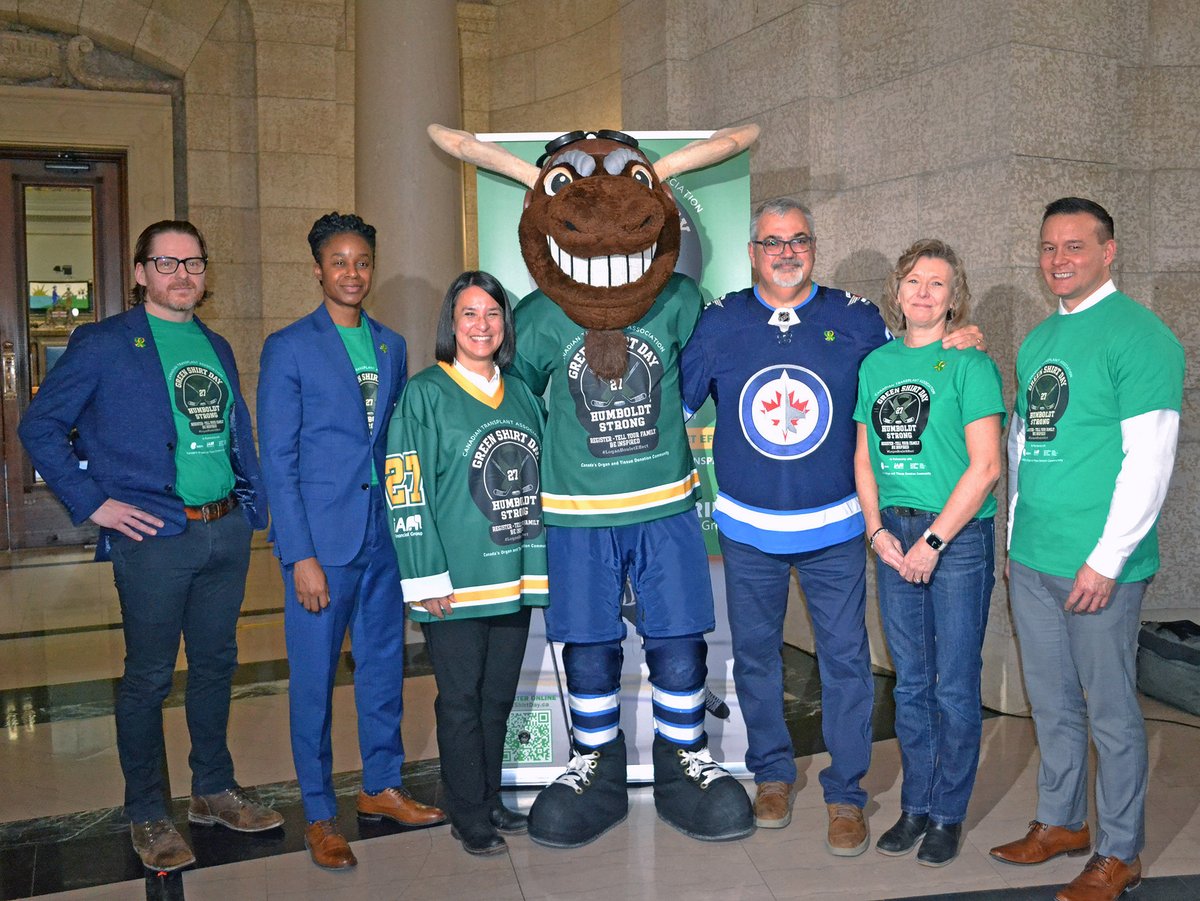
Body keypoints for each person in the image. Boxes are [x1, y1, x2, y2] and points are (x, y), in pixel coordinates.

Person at [680, 198, 983, 854]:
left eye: (798, 240)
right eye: (772, 242)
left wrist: (961, 336)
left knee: (847, 660)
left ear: (813, 248)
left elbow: (909, 363)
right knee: (755, 656)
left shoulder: (856, 318)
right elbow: (675, 403)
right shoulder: (720, 320)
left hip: (836, 529)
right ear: (752, 252)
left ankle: (846, 793)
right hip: (748, 530)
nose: (786, 252)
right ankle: (772, 774)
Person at [19, 220, 283, 871]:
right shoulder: (105, 343)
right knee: (149, 677)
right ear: (141, 273)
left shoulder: (215, 344)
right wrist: (94, 503)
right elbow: (40, 426)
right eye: (167, 263)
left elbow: (232, 430)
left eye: (193, 263)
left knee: (216, 665)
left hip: (223, 529)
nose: (182, 274)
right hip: (154, 536)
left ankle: (213, 790)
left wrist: (252, 503)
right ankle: (147, 811)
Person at [989, 198, 1184, 901]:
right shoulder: (1040, 340)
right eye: (1048, 247)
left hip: (1099, 567)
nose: (1058, 259)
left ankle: (1120, 851)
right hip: (1034, 560)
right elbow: (1022, 450)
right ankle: (1062, 822)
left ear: (1109, 251)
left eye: (1075, 246)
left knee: (1111, 713)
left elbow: (1150, 459)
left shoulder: (1141, 336)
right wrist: (1014, 544)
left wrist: (1107, 559)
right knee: (1051, 701)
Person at [257, 212, 445, 871]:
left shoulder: (391, 344)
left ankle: (380, 786)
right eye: (338, 261)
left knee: (383, 667)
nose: (352, 273)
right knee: (313, 682)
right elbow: (278, 460)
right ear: (317, 269)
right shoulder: (289, 347)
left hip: (381, 538)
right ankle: (318, 813)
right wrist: (299, 554)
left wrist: (411, 532)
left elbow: (393, 444)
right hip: (322, 546)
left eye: (362, 261)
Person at [384, 271, 548, 856]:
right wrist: (424, 576)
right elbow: (405, 487)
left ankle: (490, 798)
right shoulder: (425, 393)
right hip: (454, 582)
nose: (482, 325)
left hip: (513, 574)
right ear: (451, 325)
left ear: (506, 324)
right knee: (460, 703)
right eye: (469, 314)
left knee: (497, 700)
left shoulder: (522, 392)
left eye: (493, 313)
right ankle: (467, 812)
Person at [853, 239, 1004, 867]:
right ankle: (915, 805)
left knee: (955, 686)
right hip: (895, 534)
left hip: (957, 539)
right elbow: (864, 458)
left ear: (953, 297)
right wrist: (876, 532)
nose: (923, 292)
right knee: (912, 684)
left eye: (937, 283)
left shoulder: (971, 364)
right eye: (913, 280)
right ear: (897, 290)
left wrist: (934, 542)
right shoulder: (876, 364)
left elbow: (987, 466)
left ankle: (947, 813)